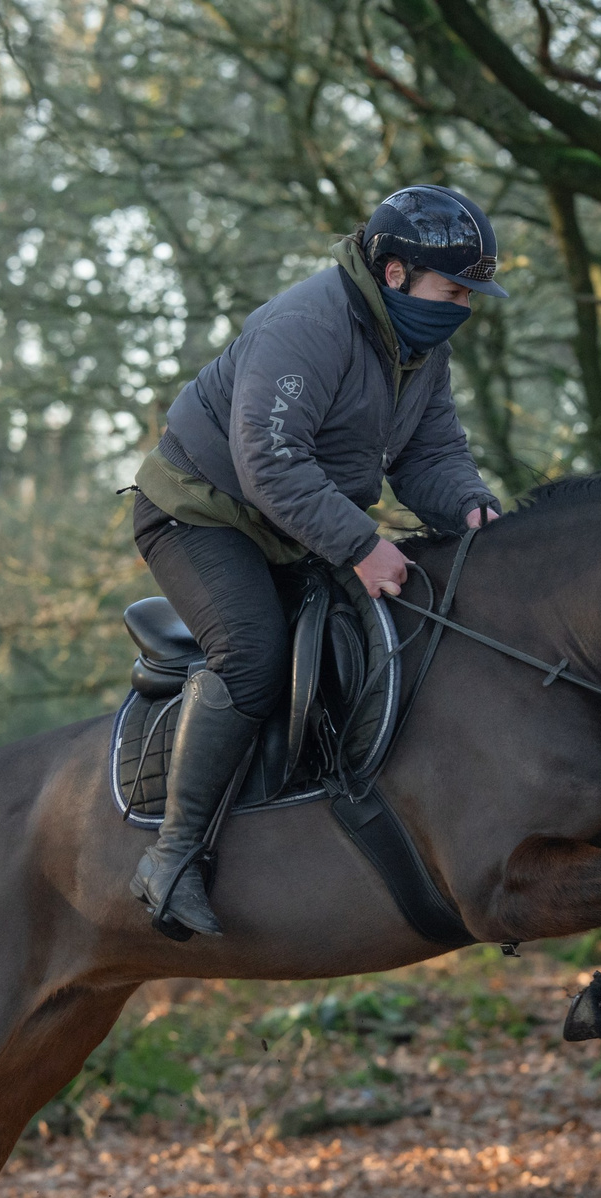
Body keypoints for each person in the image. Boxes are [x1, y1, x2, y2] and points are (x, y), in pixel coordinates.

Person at [126, 185, 506, 937]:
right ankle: (171, 857)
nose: (463, 306)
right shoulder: (308, 324)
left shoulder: (421, 348)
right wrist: (362, 545)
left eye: (470, 294)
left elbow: (432, 455)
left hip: (291, 523)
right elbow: (266, 458)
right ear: (394, 275)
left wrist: (477, 515)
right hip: (200, 511)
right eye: (453, 290)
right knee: (252, 654)